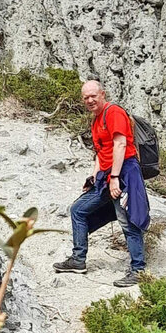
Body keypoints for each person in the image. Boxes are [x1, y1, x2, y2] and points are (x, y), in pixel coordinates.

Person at [54, 80, 149, 287]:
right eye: (85, 97)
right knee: (79, 209)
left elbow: (121, 144)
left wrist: (115, 178)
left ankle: (138, 269)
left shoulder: (113, 113)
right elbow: (100, 152)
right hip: (106, 176)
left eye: (93, 96)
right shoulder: (96, 120)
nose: (89, 100)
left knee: (127, 220)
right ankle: (78, 259)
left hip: (124, 173)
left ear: (102, 94)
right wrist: (93, 177)